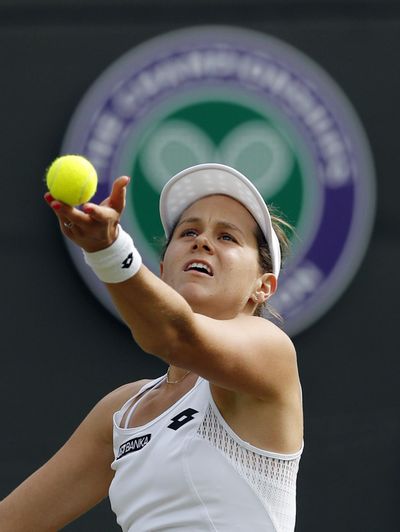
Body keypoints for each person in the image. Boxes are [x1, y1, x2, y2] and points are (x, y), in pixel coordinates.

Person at [0, 163, 303, 531]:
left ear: (263, 286)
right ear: (162, 269)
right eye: (189, 231)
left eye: (227, 237)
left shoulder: (271, 353)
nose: (202, 241)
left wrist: (109, 250)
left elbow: (173, 335)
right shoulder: (121, 411)